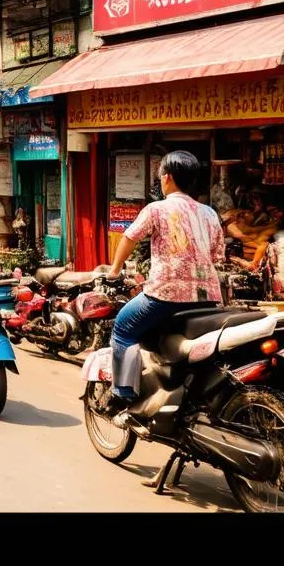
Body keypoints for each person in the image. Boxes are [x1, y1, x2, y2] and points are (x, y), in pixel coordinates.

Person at [104, 150, 224, 408]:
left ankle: (123, 393)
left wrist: (114, 270)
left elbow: (129, 237)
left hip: (165, 295)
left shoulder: (157, 209)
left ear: (167, 178)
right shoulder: (210, 214)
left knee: (123, 330)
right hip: (208, 297)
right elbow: (217, 256)